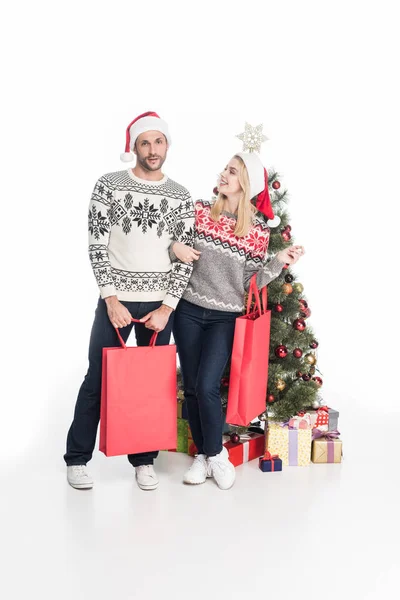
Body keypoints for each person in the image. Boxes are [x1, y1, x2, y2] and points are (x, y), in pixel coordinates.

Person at [64, 111, 194, 491]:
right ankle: (77, 459)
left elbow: (184, 258)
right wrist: (111, 299)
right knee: (98, 379)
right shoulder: (108, 185)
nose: (152, 150)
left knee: (151, 385)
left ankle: (143, 460)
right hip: (117, 302)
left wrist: (168, 307)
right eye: (145, 143)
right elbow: (97, 246)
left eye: (159, 142)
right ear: (133, 147)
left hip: (159, 307)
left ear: (167, 145)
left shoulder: (181, 196)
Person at [171, 152, 305, 490]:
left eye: (232, 172)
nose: (223, 175)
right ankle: (204, 456)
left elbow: (249, 284)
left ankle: (216, 455)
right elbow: (175, 248)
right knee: (191, 389)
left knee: (207, 386)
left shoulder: (257, 232)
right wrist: (174, 245)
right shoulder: (200, 211)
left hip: (223, 317)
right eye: (225, 169)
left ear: (245, 184)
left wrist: (278, 262)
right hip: (187, 309)